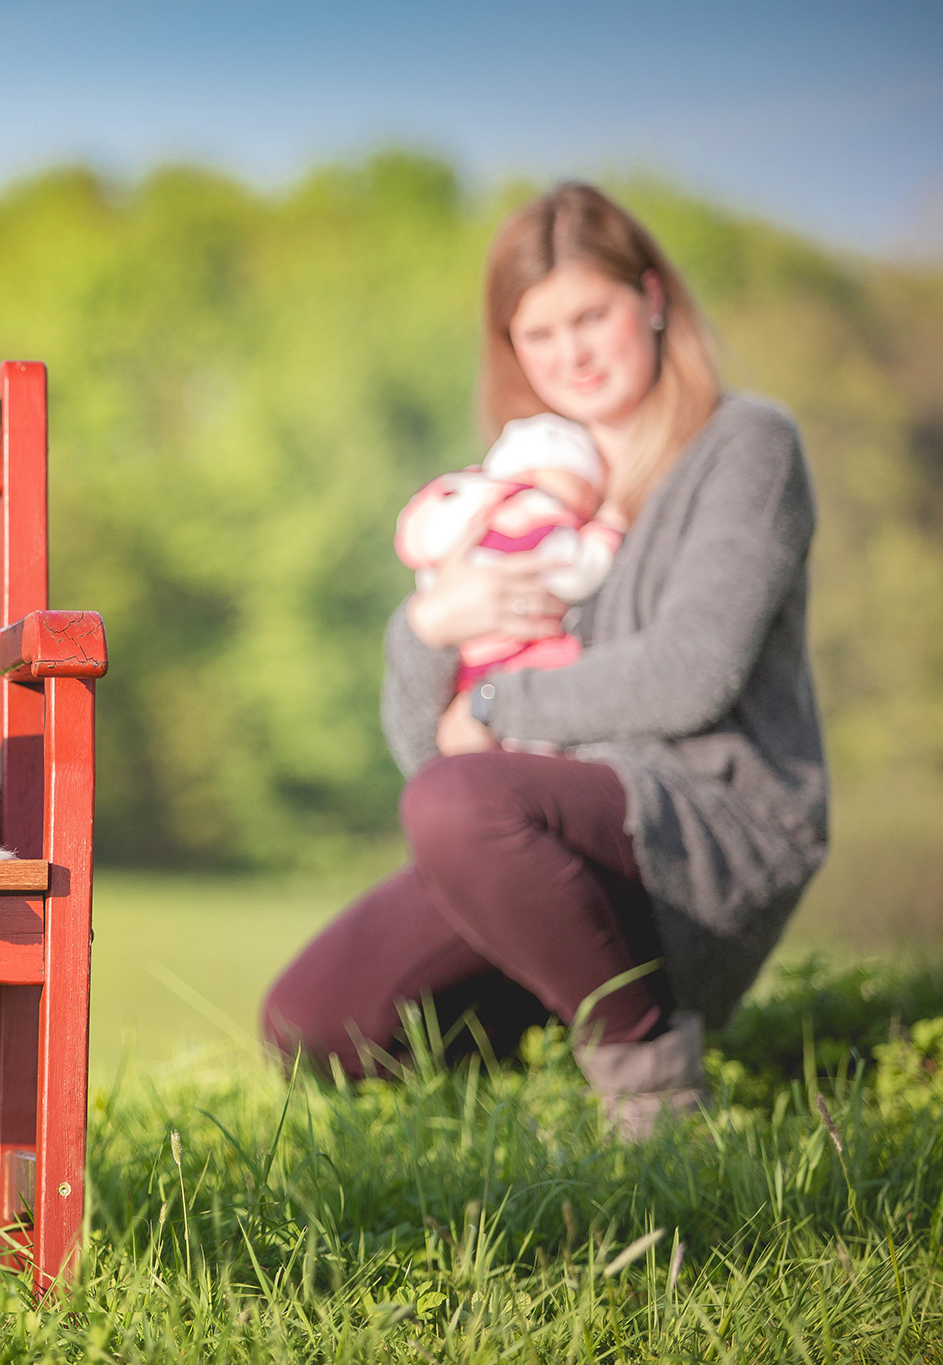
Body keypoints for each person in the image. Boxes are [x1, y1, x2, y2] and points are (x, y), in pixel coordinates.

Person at [261, 182, 828, 1137]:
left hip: (708, 823)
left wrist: (494, 708)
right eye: (539, 333)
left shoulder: (746, 445)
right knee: (311, 1024)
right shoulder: (517, 492)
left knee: (459, 800)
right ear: (511, 348)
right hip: (555, 839)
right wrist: (425, 631)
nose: (572, 353)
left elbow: (693, 671)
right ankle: (566, 1047)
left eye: (591, 315)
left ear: (652, 299)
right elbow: (425, 756)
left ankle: (652, 1083)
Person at [395, 412, 625, 697]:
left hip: (470, 662)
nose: (588, 507)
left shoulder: (462, 505)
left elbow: (421, 551)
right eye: (586, 489)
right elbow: (576, 575)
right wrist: (607, 529)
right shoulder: (542, 518)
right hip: (528, 658)